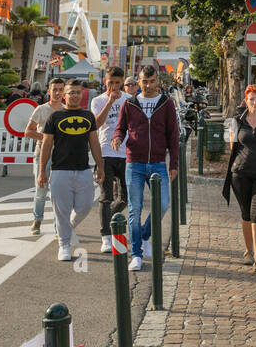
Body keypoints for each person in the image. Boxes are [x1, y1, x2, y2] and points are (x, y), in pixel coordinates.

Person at [113, 65, 180, 272]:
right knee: (135, 209)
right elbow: (121, 127)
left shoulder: (166, 104)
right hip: (134, 163)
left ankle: (143, 236)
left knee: (163, 203)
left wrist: (174, 164)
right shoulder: (129, 103)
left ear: (157, 81)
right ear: (138, 82)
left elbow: (173, 136)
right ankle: (136, 254)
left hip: (158, 163)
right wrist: (117, 137)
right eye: (144, 81)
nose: (148, 85)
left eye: (151, 81)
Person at [37, 83, 104, 262]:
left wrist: (100, 166)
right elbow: (46, 145)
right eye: (71, 93)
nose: (74, 96)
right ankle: (64, 244)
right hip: (60, 170)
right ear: (64, 96)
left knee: (85, 206)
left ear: (81, 95)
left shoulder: (88, 116)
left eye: (77, 93)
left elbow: (95, 143)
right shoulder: (55, 117)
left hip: (83, 169)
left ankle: (68, 228)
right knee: (61, 211)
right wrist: (42, 170)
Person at [221, 84, 256, 272]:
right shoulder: (236, 121)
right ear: (246, 101)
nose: (255, 102)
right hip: (241, 174)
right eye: (251, 99)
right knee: (246, 214)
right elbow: (232, 147)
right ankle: (247, 251)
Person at [91, 67, 130, 254]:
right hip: (105, 152)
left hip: (126, 153)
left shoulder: (129, 100)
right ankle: (106, 236)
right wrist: (109, 102)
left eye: (117, 82)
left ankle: (111, 218)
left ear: (122, 81)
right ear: (105, 81)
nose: (114, 86)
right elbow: (96, 124)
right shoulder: (97, 100)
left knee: (125, 198)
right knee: (106, 197)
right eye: (110, 82)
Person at [25, 78, 66, 235]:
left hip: (60, 156)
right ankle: (37, 220)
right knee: (41, 190)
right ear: (49, 91)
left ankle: (57, 226)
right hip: (42, 154)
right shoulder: (41, 109)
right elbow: (28, 131)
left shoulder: (66, 110)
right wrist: (46, 138)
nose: (57, 93)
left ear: (64, 92)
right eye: (54, 89)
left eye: (60, 89)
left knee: (58, 193)